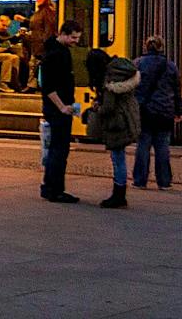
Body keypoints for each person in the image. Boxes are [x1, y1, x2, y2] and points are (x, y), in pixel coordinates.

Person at [38, 20, 84, 203]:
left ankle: (50, 187)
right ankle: (55, 189)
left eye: (78, 38)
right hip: (58, 110)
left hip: (60, 108)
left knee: (57, 150)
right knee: (59, 150)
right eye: (73, 37)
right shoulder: (55, 54)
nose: (76, 41)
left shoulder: (56, 51)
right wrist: (63, 107)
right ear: (63, 34)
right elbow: (48, 86)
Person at [88, 53, 140, 209]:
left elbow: (109, 107)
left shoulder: (110, 80)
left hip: (117, 123)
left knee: (118, 159)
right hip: (127, 118)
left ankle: (119, 194)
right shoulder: (122, 73)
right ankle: (120, 193)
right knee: (120, 157)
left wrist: (97, 108)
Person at [133, 35, 177, 191]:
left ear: (146, 47)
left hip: (145, 111)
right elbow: (176, 89)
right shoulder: (170, 66)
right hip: (165, 112)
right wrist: (178, 110)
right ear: (161, 47)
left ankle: (140, 180)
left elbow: (134, 87)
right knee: (163, 148)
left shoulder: (137, 64)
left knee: (143, 146)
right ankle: (164, 181)